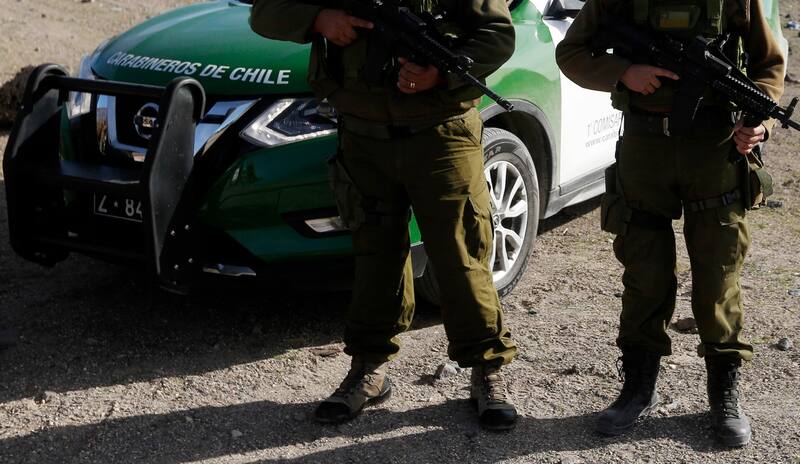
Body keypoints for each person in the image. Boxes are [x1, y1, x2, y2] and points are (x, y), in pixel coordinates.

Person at [250, 0, 518, 430]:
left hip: (441, 134)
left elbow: (498, 35)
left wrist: (442, 73)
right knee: (376, 253)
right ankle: (369, 369)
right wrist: (319, 18)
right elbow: (264, 12)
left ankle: (487, 369)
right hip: (363, 136)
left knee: (461, 254)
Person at [556, 0, 784, 447]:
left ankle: (724, 392)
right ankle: (638, 386)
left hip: (715, 149)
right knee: (645, 272)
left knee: (718, 273)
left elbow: (768, 66)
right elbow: (572, 52)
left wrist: (760, 124)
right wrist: (624, 72)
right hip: (644, 146)